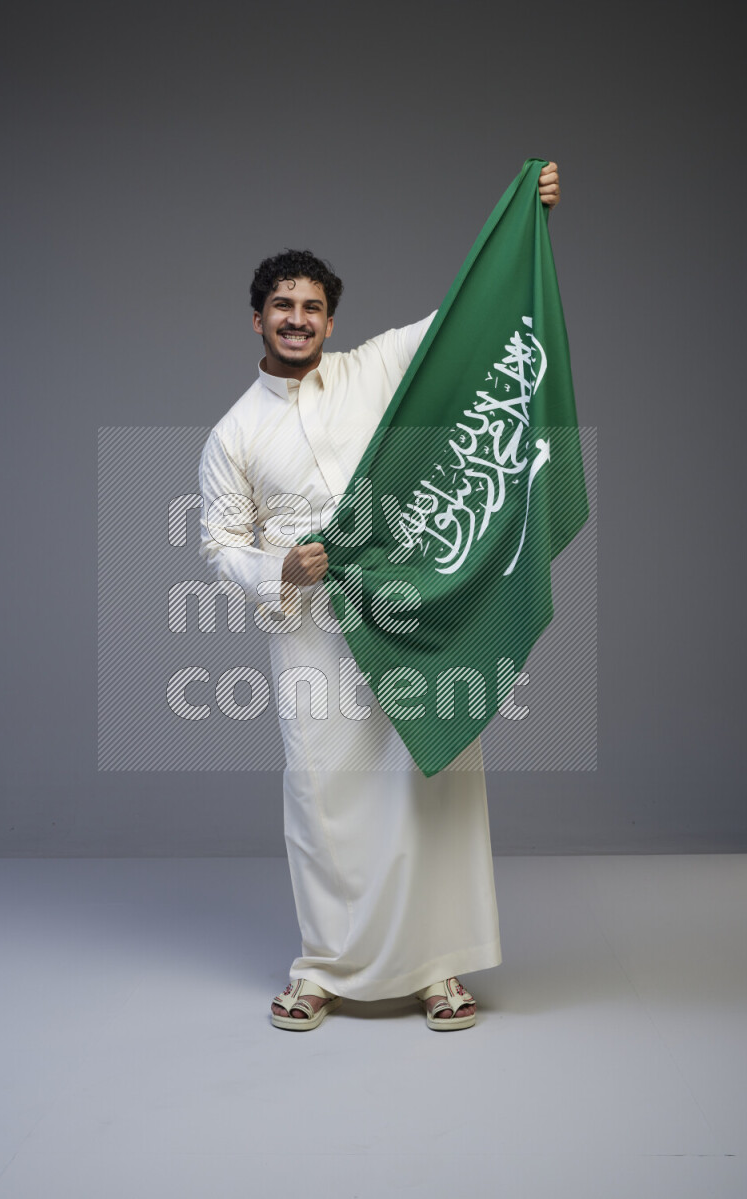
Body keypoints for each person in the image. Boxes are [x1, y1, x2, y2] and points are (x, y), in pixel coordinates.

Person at [198, 163, 562, 1031]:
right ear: (258, 319)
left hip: (406, 600)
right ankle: (323, 966)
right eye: (282, 306)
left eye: (313, 306)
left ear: (330, 318)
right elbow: (220, 545)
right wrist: (280, 570)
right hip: (310, 624)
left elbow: (466, 318)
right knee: (324, 791)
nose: (297, 319)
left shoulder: (373, 368)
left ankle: (439, 968)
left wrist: (527, 221)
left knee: (427, 768)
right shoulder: (232, 432)